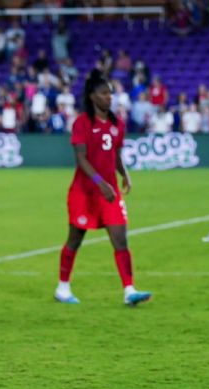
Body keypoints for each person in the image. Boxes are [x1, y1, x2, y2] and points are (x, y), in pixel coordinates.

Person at [55, 69, 152, 307]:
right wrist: (100, 183)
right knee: (75, 239)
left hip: (109, 193)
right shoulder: (82, 123)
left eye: (110, 93)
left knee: (120, 239)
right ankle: (63, 287)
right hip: (85, 192)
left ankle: (129, 290)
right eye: (104, 93)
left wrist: (124, 174)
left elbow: (115, 155)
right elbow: (82, 158)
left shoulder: (117, 124)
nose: (110, 97)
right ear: (92, 96)